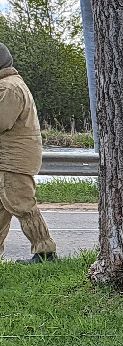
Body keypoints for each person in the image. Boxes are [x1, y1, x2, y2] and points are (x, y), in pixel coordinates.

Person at [0, 42, 58, 263]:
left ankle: (45, 253)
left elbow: (1, 121)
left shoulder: (8, 88)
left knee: (22, 206)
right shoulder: (11, 84)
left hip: (12, 160)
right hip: (9, 158)